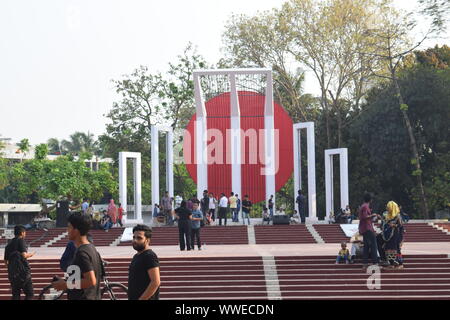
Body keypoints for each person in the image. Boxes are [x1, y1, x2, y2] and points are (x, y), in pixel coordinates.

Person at [52, 212, 103, 300]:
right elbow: (81, 278)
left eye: (69, 227)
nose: (67, 230)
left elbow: (91, 281)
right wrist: (65, 282)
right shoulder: (91, 248)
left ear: (76, 230)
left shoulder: (82, 253)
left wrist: (65, 284)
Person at [128, 224, 161, 300]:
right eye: (134, 237)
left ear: (147, 240)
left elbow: (155, 282)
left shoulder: (150, 256)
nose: (135, 240)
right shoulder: (136, 256)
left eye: (139, 238)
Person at [4, 225, 35, 300]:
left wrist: (12, 269)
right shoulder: (21, 240)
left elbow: (5, 261)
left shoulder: (9, 244)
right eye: (25, 232)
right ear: (22, 233)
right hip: (23, 272)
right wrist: (31, 254)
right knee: (30, 293)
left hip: (13, 274)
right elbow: (24, 255)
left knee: (16, 294)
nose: (25, 234)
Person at [358, 193, 381, 270]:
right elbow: (365, 217)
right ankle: (375, 263)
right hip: (367, 228)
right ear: (370, 200)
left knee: (367, 246)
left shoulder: (364, 206)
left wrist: (373, 216)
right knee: (373, 245)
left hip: (365, 228)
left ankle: (365, 263)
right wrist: (373, 215)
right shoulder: (365, 206)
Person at [380, 201, 405, 269]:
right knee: (388, 249)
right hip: (388, 236)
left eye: (389, 207)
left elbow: (401, 226)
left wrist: (394, 225)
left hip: (395, 235)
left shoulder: (397, 215)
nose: (387, 209)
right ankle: (391, 264)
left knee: (396, 249)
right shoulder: (386, 215)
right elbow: (382, 224)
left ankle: (400, 264)